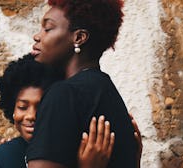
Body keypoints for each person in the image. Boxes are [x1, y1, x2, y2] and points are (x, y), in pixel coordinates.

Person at [27, 0, 138, 167]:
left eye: (48, 28)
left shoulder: (64, 94)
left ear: (78, 37)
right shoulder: (106, 91)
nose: (37, 36)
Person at [0, 54, 116, 168]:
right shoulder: (5, 156)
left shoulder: (82, 150)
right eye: (22, 107)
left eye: (42, 107)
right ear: (12, 109)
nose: (31, 116)